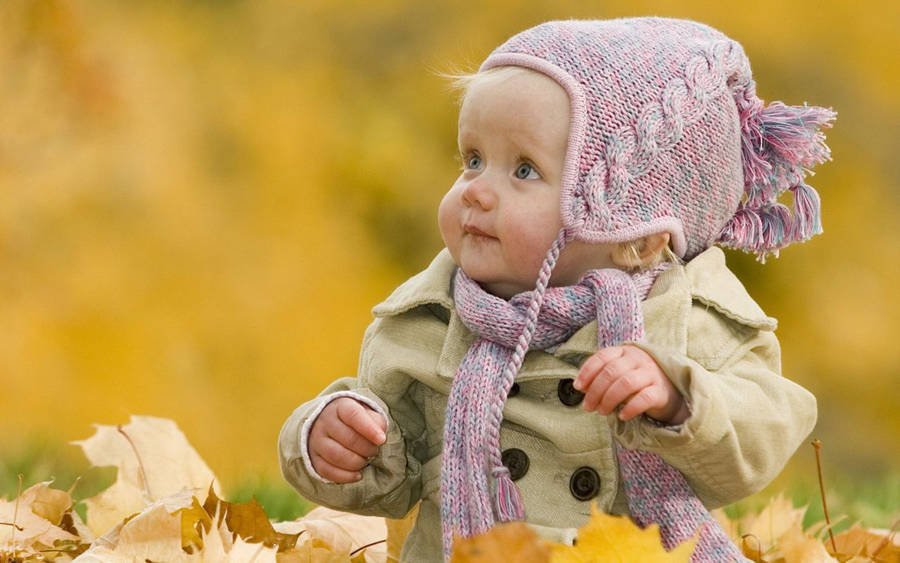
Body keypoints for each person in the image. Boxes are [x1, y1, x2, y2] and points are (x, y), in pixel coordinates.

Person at [279, 17, 834, 562]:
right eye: (472, 160)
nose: (476, 191)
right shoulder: (428, 319)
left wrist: (677, 398)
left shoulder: (685, 319)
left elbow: (761, 433)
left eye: (523, 170)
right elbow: (390, 479)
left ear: (632, 232)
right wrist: (331, 441)